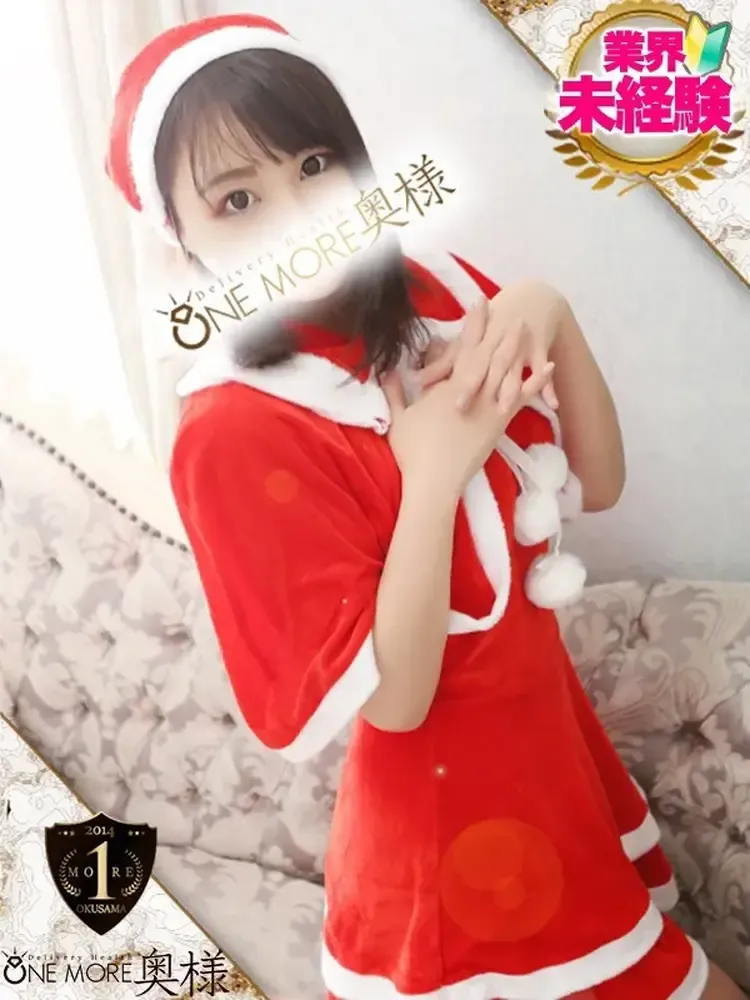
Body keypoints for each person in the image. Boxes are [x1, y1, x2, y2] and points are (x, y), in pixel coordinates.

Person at [106, 13, 747, 1000]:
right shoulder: (233, 430)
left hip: (552, 762)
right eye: (238, 199)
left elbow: (600, 480)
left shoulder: (432, 297)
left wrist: (552, 310)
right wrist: (433, 477)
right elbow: (397, 701)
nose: (300, 215)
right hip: (443, 843)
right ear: (181, 239)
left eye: (315, 164)